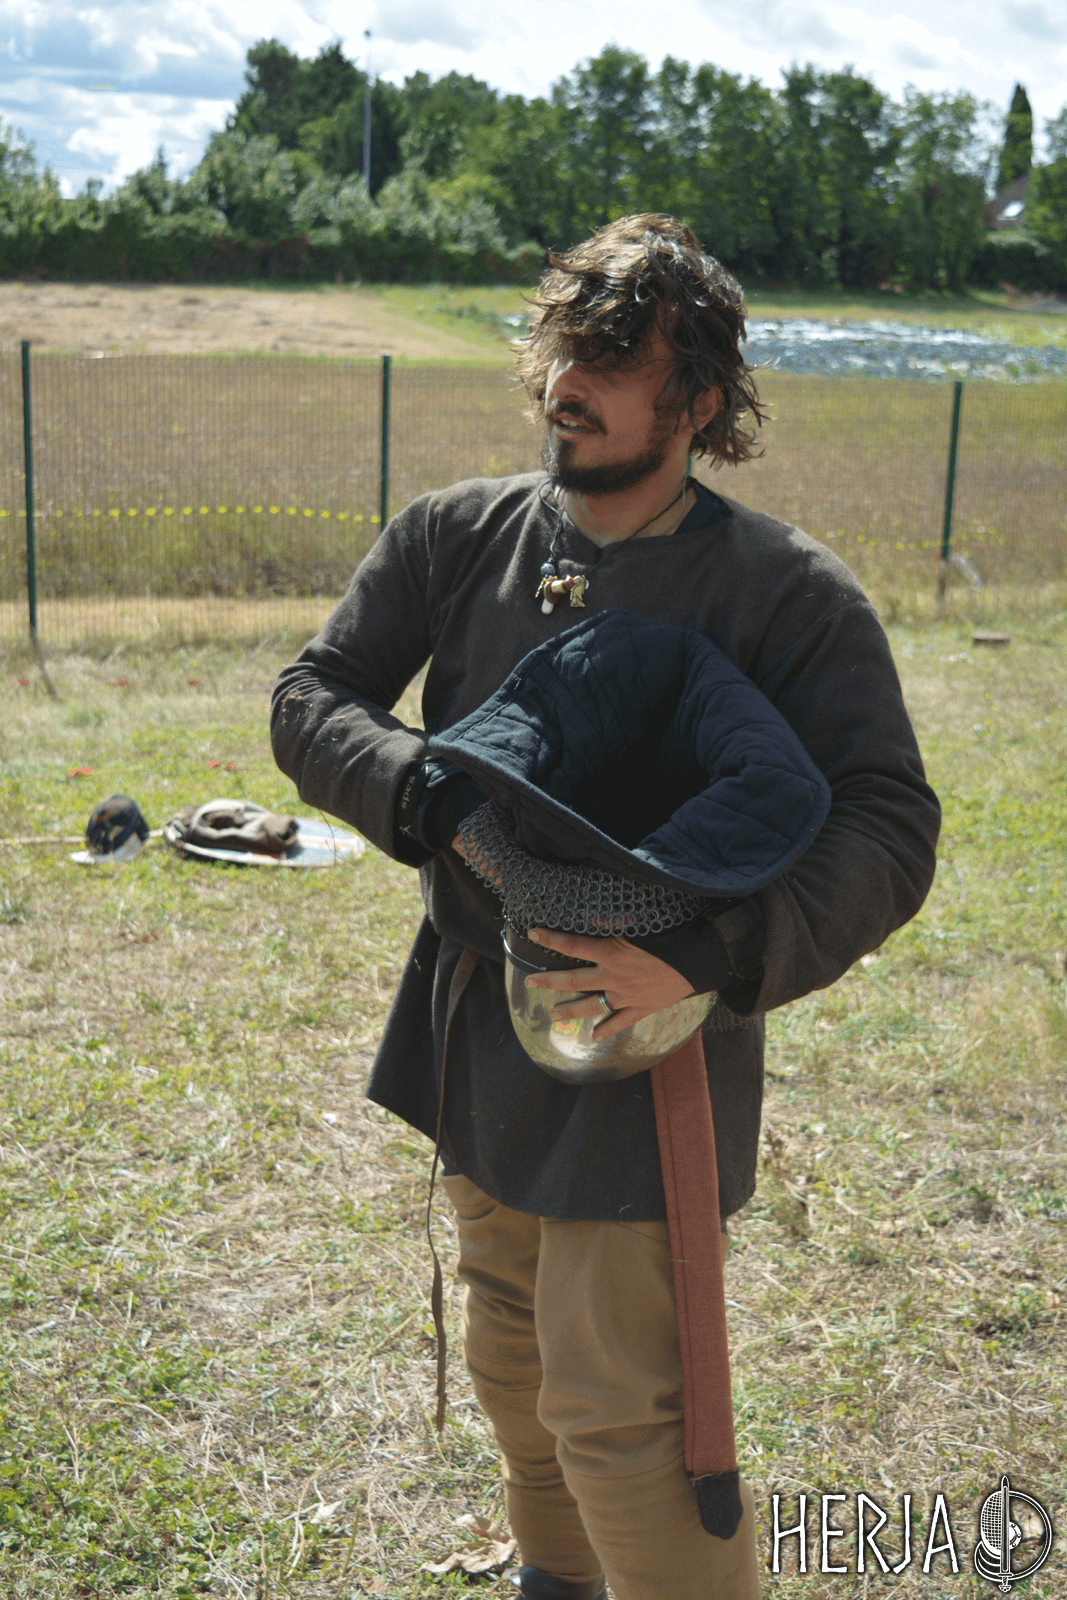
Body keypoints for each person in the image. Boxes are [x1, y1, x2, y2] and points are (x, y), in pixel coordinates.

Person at [271, 213, 940, 1600]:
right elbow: (313, 696)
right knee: (511, 1356)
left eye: (613, 360)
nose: (566, 384)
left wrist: (698, 954)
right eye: (561, 349)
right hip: (477, 1011)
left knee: (621, 1413)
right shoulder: (458, 535)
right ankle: (554, 1582)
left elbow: (888, 825)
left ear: (698, 399)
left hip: (655, 1051)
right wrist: (423, 793)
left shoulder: (786, 594)